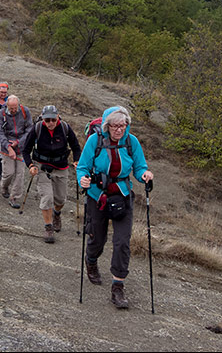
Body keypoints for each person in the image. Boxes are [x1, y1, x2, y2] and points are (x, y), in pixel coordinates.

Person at [77, 105, 153, 309]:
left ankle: (117, 287)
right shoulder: (95, 141)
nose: (119, 129)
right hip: (97, 195)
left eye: (123, 125)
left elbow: (139, 167)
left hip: (122, 195)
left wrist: (144, 175)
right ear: (107, 126)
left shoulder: (131, 142)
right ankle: (91, 260)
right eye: (115, 126)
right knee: (98, 239)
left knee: (122, 243)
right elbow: (83, 167)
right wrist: (83, 180)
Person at [22, 105, 82, 244]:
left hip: (61, 167)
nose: (50, 123)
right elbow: (26, 150)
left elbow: (76, 147)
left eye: (53, 120)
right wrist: (30, 165)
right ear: (43, 118)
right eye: (47, 120)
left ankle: (57, 214)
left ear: (57, 117)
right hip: (41, 167)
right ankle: (48, 227)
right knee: (47, 197)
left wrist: (77, 160)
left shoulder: (65, 128)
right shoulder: (37, 128)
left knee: (60, 200)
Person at [0, 94, 32, 208]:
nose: (13, 110)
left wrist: (18, 142)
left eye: (15, 108)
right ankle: (4, 186)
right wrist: (8, 147)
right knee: (9, 173)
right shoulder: (1, 114)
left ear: (19, 105)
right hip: (7, 147)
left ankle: (14, 197)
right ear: (7, 106)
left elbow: (30, 129)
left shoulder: (25, 111)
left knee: (20, 173)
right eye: (11, 108)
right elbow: (0, 132)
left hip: (21, 147)